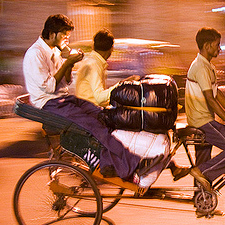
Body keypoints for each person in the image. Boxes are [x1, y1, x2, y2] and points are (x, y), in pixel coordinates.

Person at [22, 14, 160, 183]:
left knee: (102, 116)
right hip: (49, 104)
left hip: (63, 99)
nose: (66, 39)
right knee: (94, 126)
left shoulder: (56, 52)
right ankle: (132, 161)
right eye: (64, 36)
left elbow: (65, 81)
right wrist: (67, 63)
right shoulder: (35, 54)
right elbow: (50, 87)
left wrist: (70, 63)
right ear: (51, 34)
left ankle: (110, 163)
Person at [75, 28, 189, 181]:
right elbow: (100, 97)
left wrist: (122, 86)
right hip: (94, 113)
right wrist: (121, 87)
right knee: (138, 127)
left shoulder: (94, 62)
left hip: (96, 110)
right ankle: (149, 165)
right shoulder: (93, 65)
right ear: (110, 49)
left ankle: (169, 165)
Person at [185, 27, 225, 191]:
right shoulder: (200, 67)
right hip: (202, 120)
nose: (219, 49)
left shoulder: (208, 66)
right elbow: (210, 100)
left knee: (203, 158)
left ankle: (202, 201)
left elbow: (217, 93)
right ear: (207, 46)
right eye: (217, 45)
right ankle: (201, 171)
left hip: (204, 118)